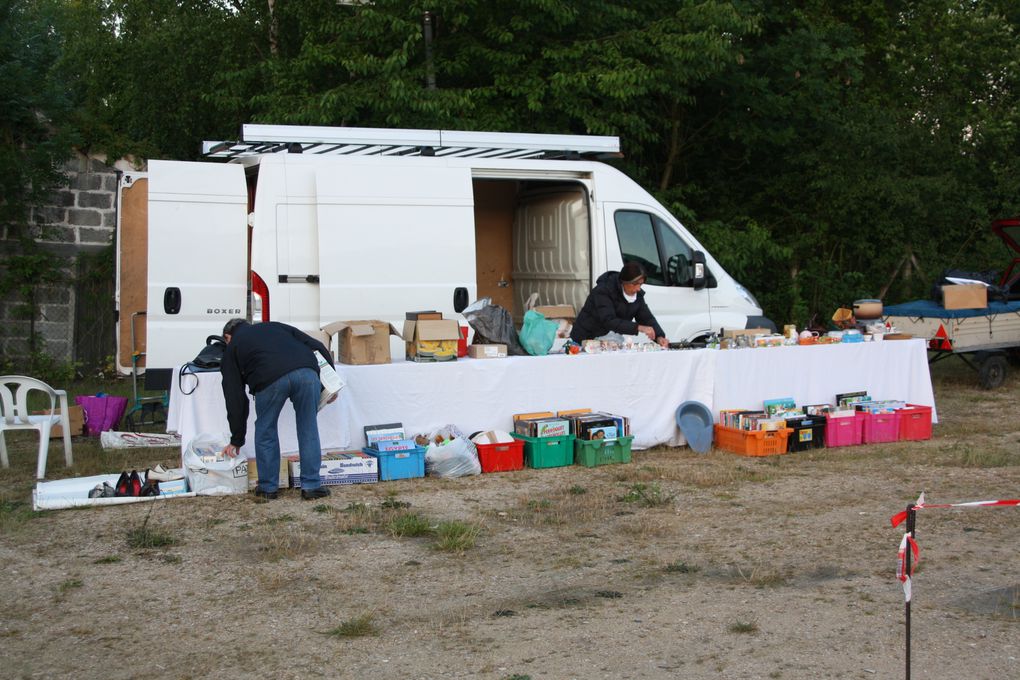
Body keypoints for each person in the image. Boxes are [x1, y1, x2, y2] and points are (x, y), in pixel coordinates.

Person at [219, 318, 336, 501]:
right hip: (307, 373)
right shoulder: (274, 326)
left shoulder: (233, 346)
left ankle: (268, 488)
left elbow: (234, 396)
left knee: (266, 429)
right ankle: (311, 486)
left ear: (228, 336)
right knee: (308, 427)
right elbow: (318, 345)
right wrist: (330, 384)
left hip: (269, 379)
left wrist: (237, 439)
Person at [569, 261, 669, 347]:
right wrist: (638, 327)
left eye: (640, 284)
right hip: (586, 338)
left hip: (608, 340)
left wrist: (659, 337)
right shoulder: (603, 290)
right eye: (635, 284)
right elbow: (609, 320)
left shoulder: (637, 296)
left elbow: (647, 318)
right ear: (624, 281)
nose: (638, 289)